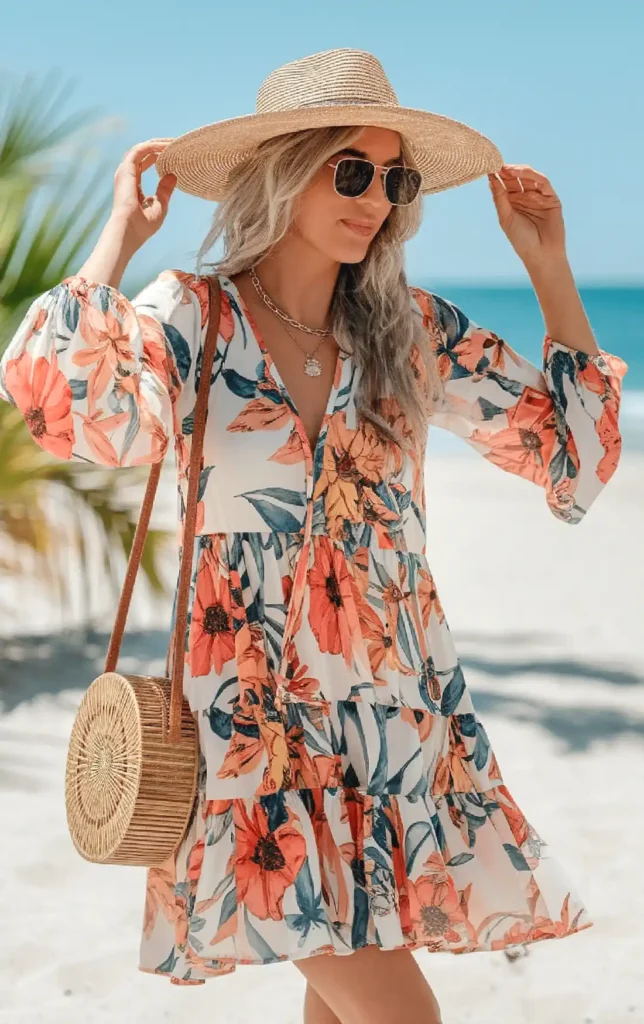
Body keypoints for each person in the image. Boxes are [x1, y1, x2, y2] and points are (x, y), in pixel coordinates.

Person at [0, 47, 628, 1024]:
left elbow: (571, 457)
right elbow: (62, 403)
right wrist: (117, 238)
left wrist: (546, 266)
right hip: (250, 728)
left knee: (340, 1005)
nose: (374, 197)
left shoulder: (409, 333)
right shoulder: (195, 319)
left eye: (394, 178)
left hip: (390, 723)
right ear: (285, 168)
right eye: (350, 169)